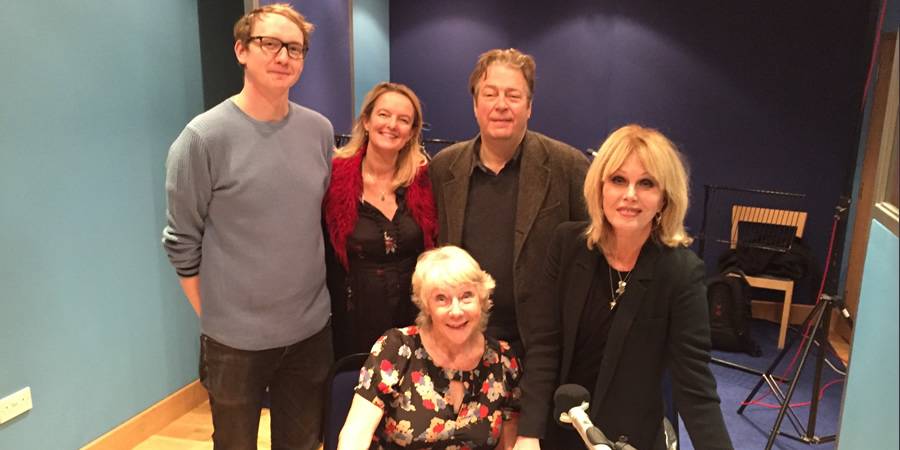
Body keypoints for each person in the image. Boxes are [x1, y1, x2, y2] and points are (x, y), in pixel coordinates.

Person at [161, 4, 333, 449]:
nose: (283, 56)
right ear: (242, 50)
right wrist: (217, 315)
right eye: (269, 43)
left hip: (310, 332)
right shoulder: (202, 138)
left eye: (294, 48)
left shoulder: (319, 131)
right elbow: (182, 242)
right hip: (233, 343)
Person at [514, 125, 733, 450]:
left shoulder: (681, 271)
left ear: (663, 198)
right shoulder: (566, 244)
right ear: (600, 188)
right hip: (559, 431)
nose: (630, 194)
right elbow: (544, 345)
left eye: (646, 183)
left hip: (630, 439)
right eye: (618, 180)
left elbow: (695, 386)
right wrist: (529, 432)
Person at [428, 48, 590, 357]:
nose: (501, 105)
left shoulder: (568, 166)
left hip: (539, 346)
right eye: (490, 94)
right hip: (460, 339)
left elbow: (591, 254)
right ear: (476, 105)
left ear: (529, 107)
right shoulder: (443, 168)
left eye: (513, 96)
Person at [338, 246, 521, 450]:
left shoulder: (503, 360)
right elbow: (356, 433)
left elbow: (508, 445)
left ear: (481, 298)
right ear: (426, 305)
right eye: (441, 298)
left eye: (466, 296)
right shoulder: (397, 348)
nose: (456, 311)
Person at [323, 82, 437, 358]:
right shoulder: (332, 178)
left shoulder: (425, 180)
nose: (392, 125)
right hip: (353, 324)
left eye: (403, 120)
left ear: (411, 133)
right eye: (384, 115)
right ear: (366, 121)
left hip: (415, 320)